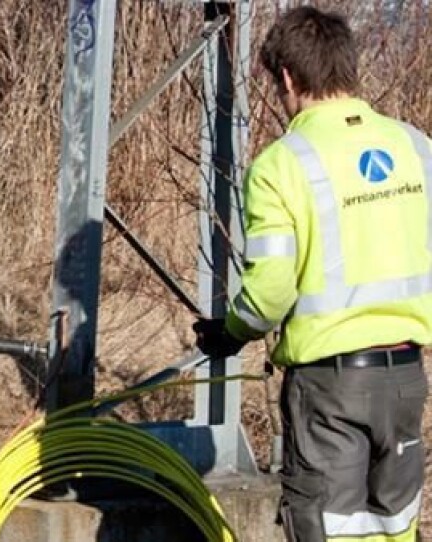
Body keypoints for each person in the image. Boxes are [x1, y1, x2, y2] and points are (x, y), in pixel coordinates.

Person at [193, 6, 431, 542]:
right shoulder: (416, 147)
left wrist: (232, 332)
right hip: (406, 378)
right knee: (395, 528)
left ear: (287, 77)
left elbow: (270, 292)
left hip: (330, 387)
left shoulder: (281, 165)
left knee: (326, 527)